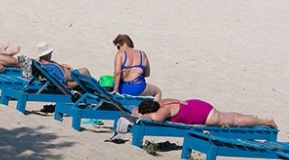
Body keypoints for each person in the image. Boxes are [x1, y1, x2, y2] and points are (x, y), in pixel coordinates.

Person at [135, 98, 277, 128]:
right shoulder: (162, 102)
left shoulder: (163, 111)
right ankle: (251, 117)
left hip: (203, 114)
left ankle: (265, 121)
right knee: (227, 116)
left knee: (233, 121)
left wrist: (141, 115)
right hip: (197, 105)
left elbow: (156, 119)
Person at [111, 34, 161, 99]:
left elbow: (117, 72)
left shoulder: (120, 54)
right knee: (158, 91)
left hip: (123, 88)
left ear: (119, 44)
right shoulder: (142, 54)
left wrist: (115, 89)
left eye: (118, 47)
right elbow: (147, 74)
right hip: (139, 88)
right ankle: (155, 105)